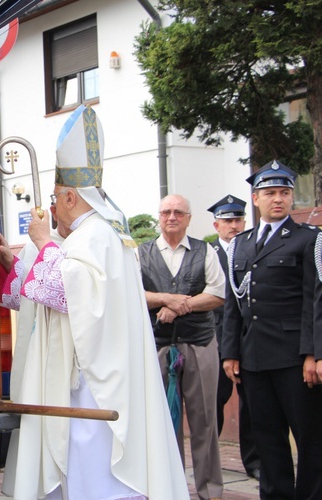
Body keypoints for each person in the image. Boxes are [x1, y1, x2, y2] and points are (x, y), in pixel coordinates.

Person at [0, 105, 188, 500]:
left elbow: (71, 293)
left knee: (94, 472)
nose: (52, 206)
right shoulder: (95, 235)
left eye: (55, 198)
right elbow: (54, 286)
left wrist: (42, 241)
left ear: (69, 197)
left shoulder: (96, 235)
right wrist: (16, 262)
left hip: (95, 385)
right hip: (92, 373)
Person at [223, 160, 322, 499]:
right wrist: (230, 353)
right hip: (254, 359)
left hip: (295, 358)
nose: (278, 199)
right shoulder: (241, 243)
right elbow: (234, 303)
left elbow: (316, 301)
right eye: (269, 193)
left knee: (310, 438)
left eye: (284, 192)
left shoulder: (310, 239)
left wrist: (315, 353)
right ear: (255, 198)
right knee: (267, 438)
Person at [138, 194, 225, 500]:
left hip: (199, 344)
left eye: (178, 212)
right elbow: (134, 293)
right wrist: (165, 299)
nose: (171, 217)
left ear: (189, 218)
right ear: (158, 217)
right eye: (165, 212)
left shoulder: (206, 251)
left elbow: (217, 294)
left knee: (205, 424)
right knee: (164, 424)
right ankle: (170, 491)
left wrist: (179, 306)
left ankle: (210, 492)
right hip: (158, 346)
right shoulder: (141, 253)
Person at [207, 195, 261, 481]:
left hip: (249, 338)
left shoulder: (254, 249)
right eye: (228, 221)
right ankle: (210, 460)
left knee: (252, 403)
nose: (234, 225)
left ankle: (254, 462)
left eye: (238, 219)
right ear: (216, 225)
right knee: (214, 400)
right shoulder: (208, 253)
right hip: (216, 338)